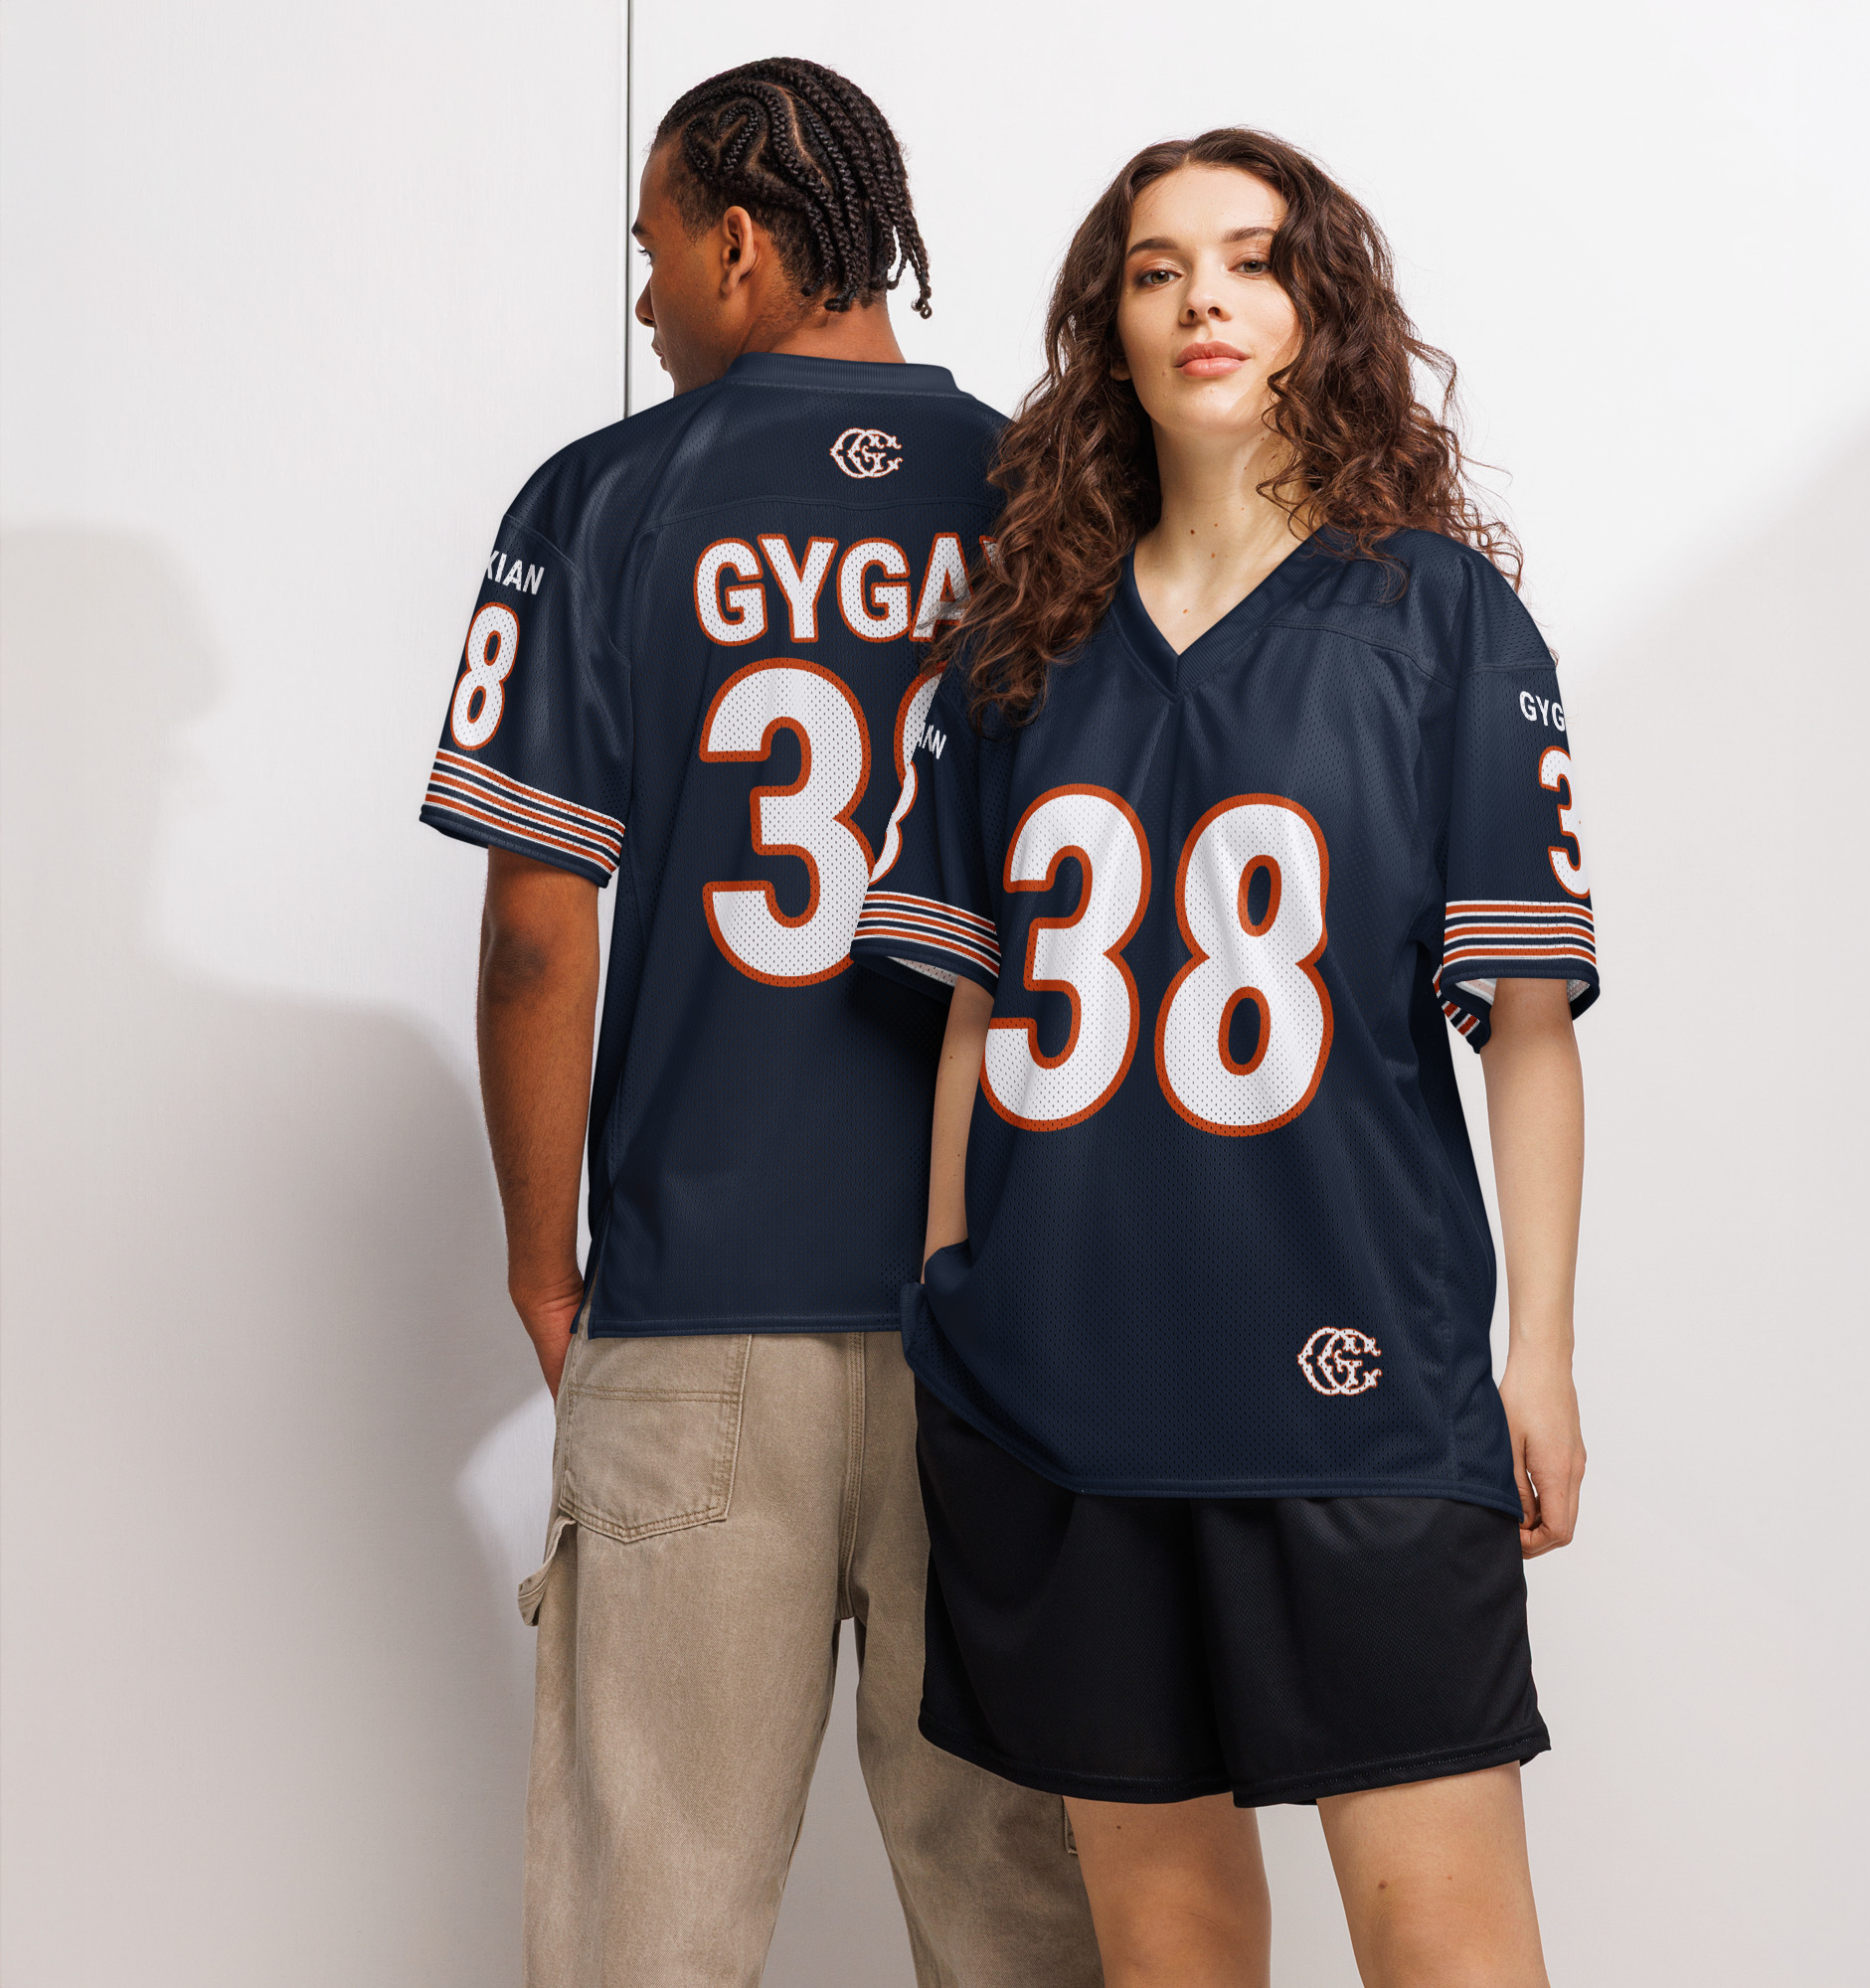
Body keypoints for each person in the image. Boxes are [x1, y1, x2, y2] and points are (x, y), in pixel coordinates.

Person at [849, 128, 1594, 1987]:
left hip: (1359, 1373)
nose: (1205, 300)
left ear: (1318, 307)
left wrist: (1541, 1353)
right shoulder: (1014, 647)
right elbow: (976, 1007)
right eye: (1158, 267)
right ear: (1108, 322)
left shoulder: (1437, 618)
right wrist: (949, 1290)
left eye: (1252, 260)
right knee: (1166, 1945)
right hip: (1062, 1387)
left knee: (1448, 1940)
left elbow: (1524, 1021)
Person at [419, 58, 1102, 1988]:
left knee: (645, 1925)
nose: (646, 299)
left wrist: (541, 1265)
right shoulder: (1059, 502)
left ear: (737, 245)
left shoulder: (605, 498)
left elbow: (537, 935)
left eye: (653, 250)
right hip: (1016, 1316)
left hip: (700, 1297)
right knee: (1030, 1930)